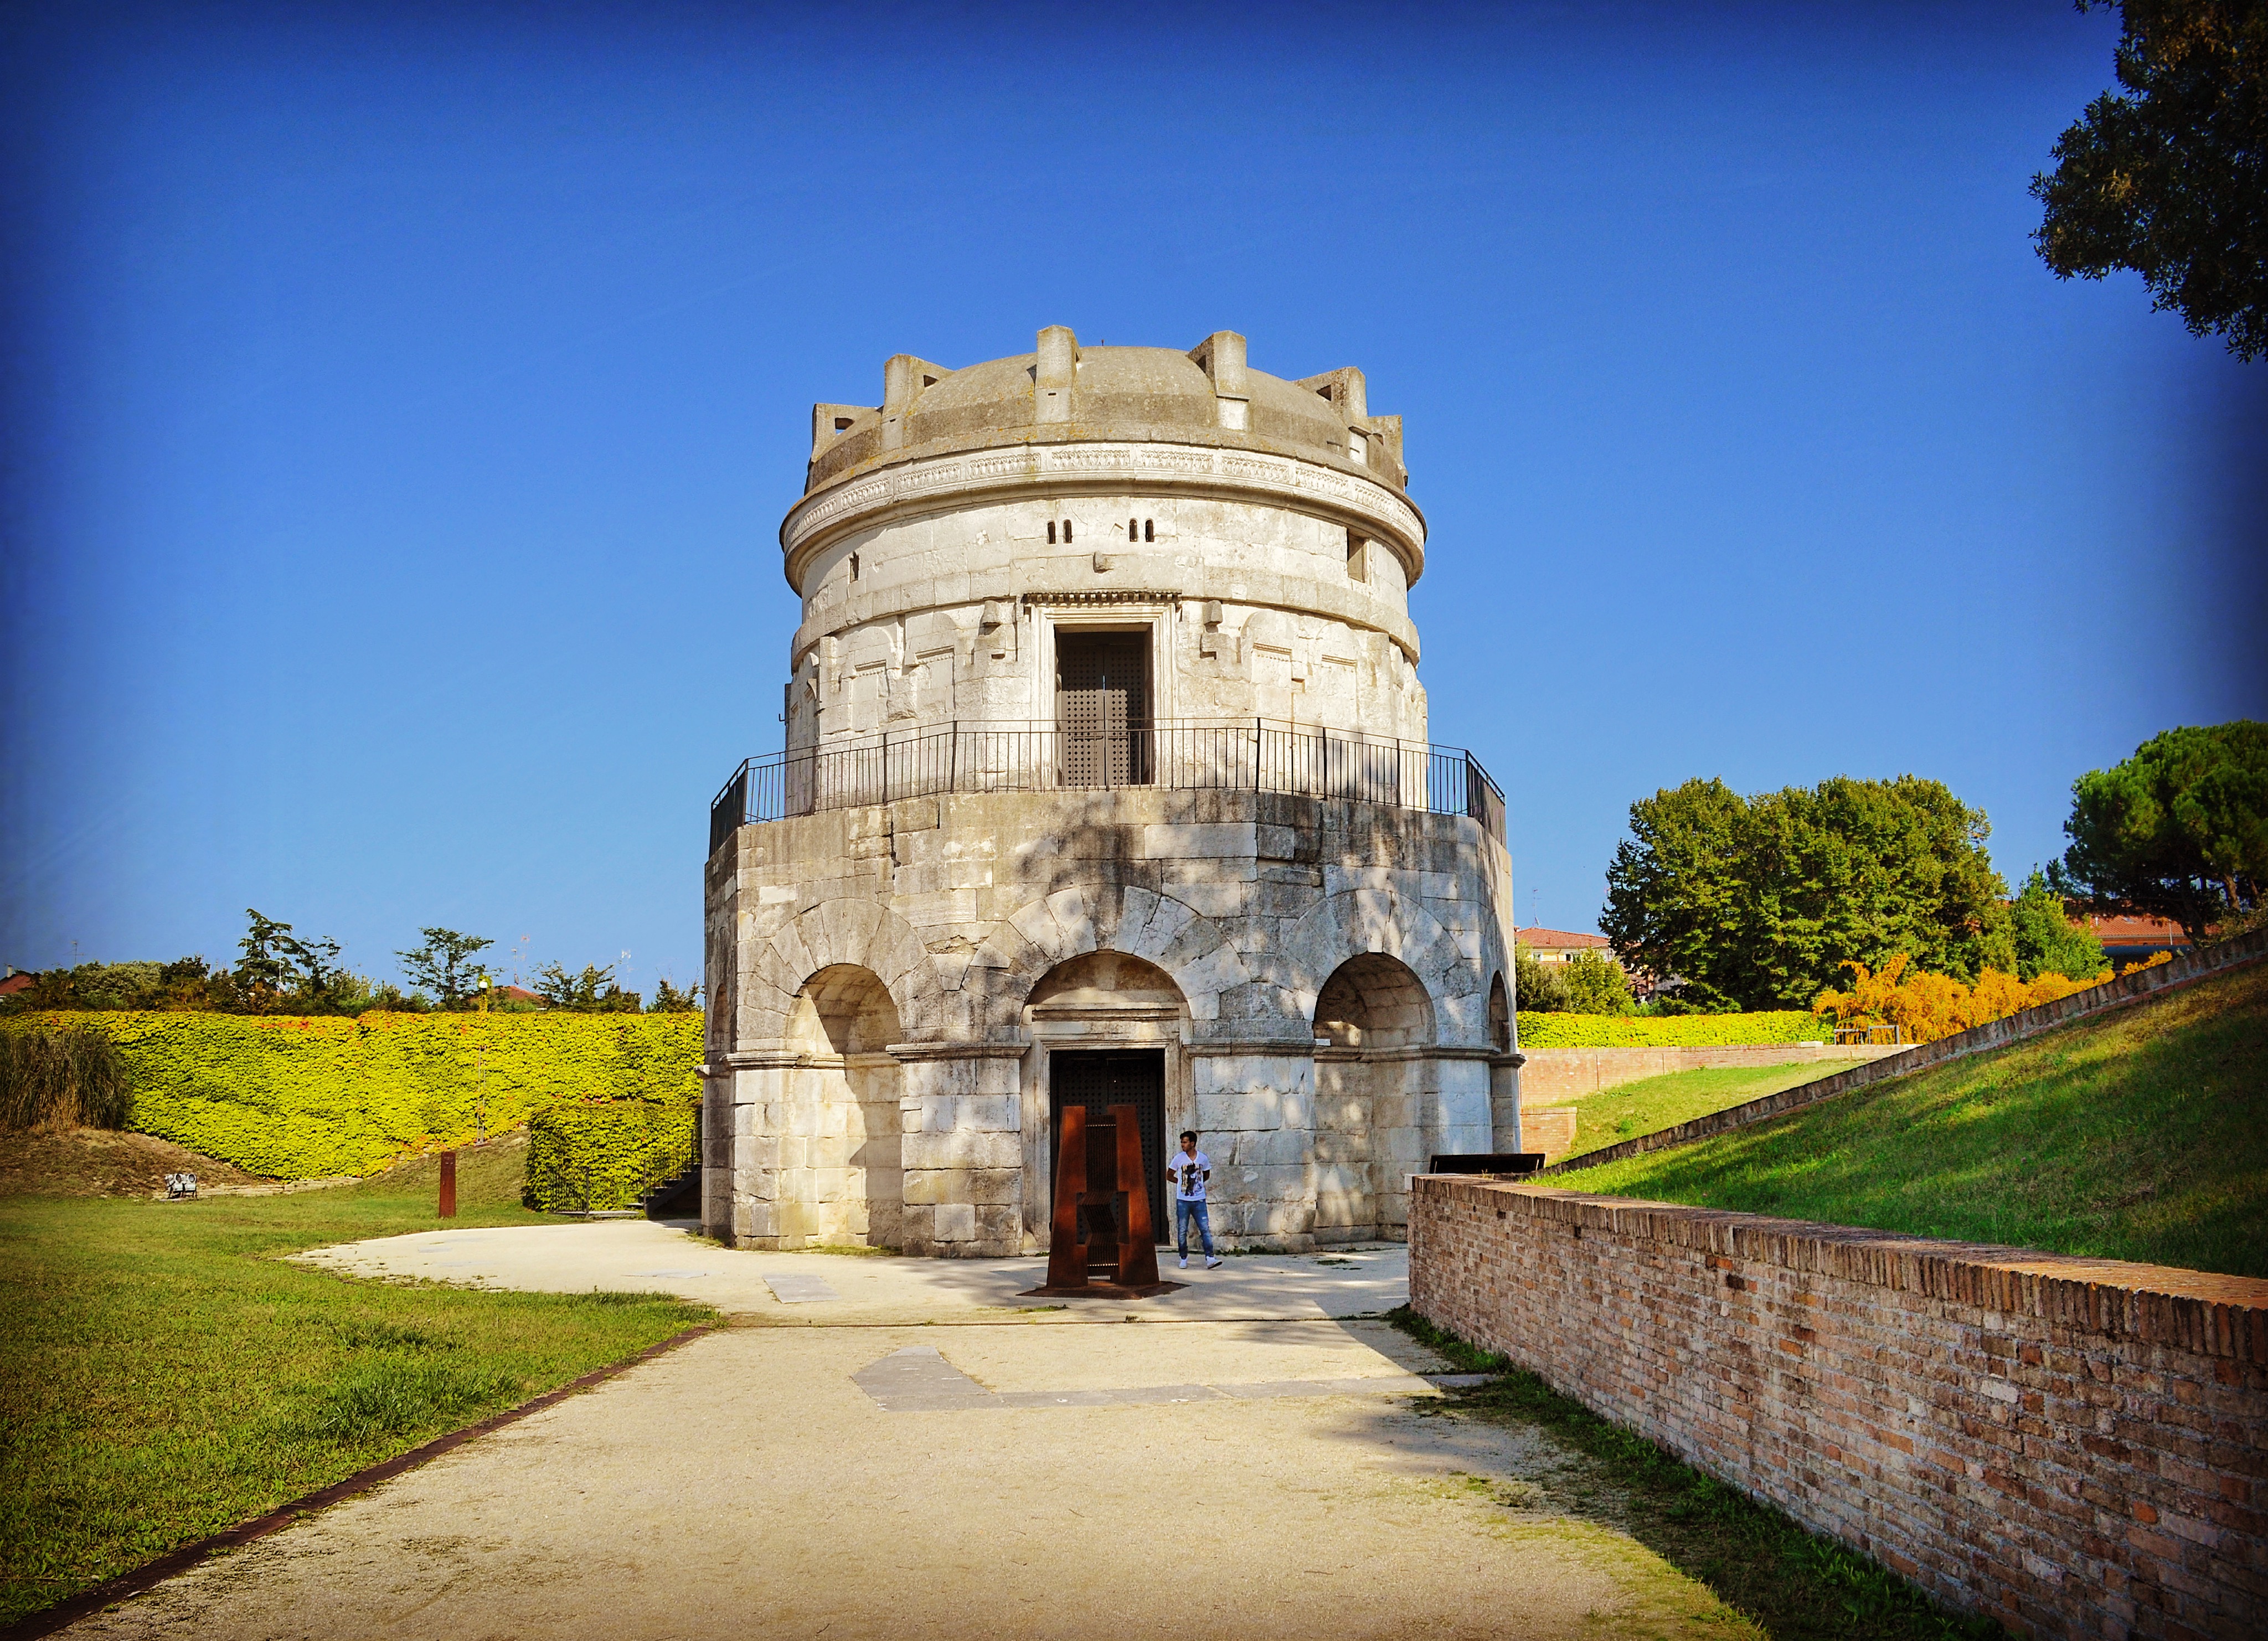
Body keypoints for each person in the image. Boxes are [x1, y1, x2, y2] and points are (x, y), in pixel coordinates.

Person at [1168, 1130, 1222, 1270]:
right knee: (1182, 1230)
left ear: (1192, 1143)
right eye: (1181, 1142)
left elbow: (1206, 1174)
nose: (1182, 1145)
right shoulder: (1179, 1159)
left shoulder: (1202, 1158)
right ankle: (1183, 1258)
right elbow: (1169, 1175)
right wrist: (1181, 1183)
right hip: (1183, 1200)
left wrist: (1198, 1184)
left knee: (1205, 1229)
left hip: (1199, 1200)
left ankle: (1210, 1257)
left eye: (1185, 1142)